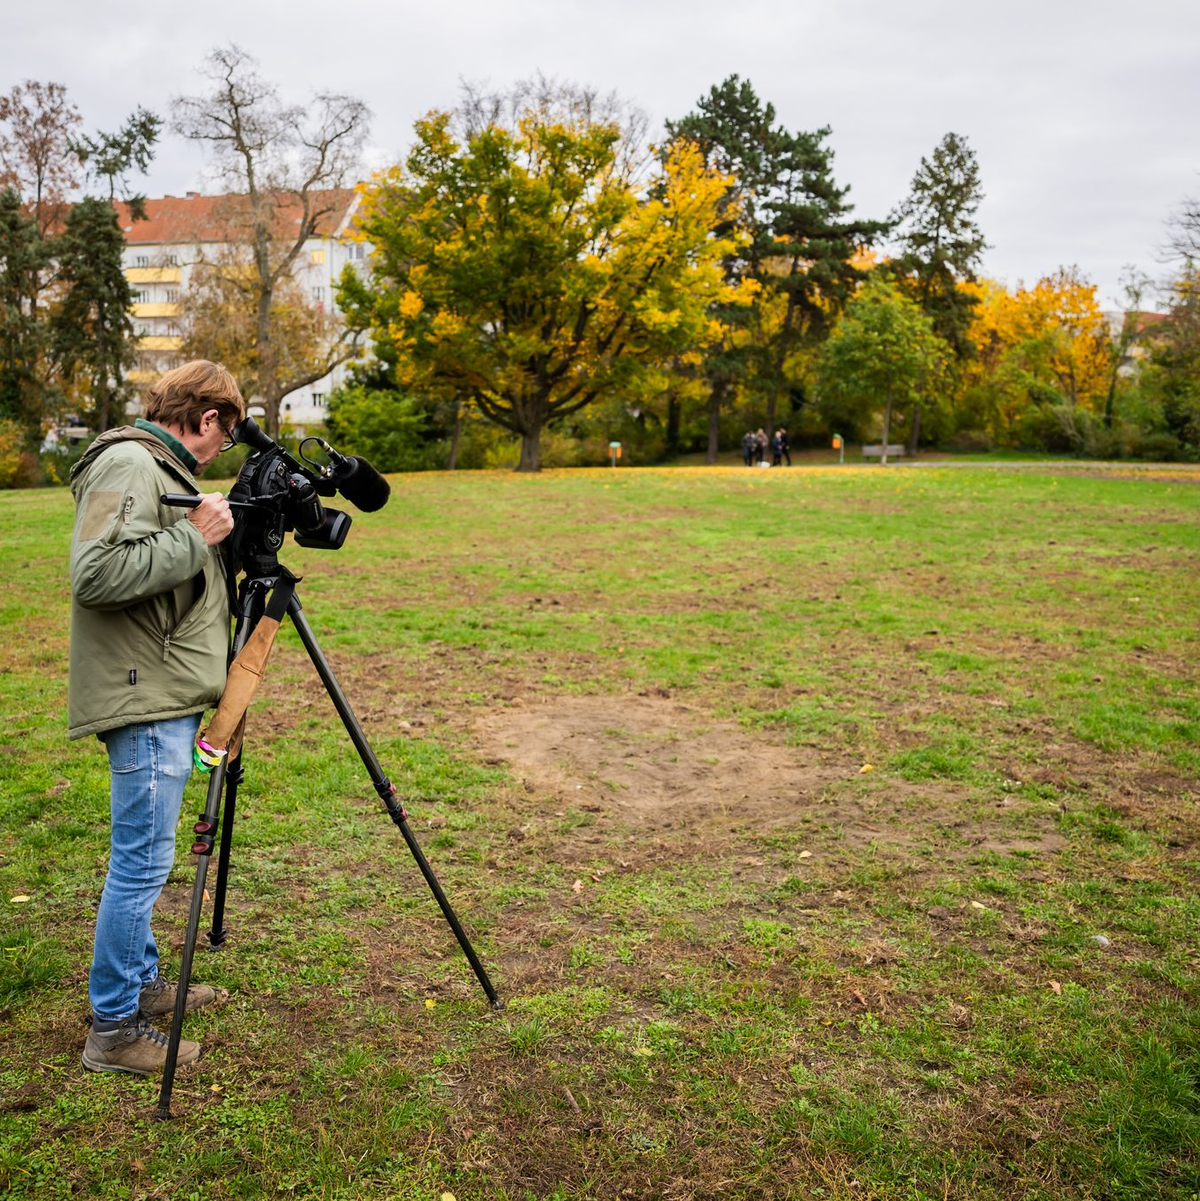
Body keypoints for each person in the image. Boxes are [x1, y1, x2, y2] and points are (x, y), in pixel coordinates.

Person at [69, 360, 244, 1076]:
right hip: (144, 694)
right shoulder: (128, 463)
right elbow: (95, 573)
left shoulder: (155, 466)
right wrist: (196, 536)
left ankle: (141, 981)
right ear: (207, 420)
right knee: (142, 862)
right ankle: (112, 1028)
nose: (221, 451)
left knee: (148, 854)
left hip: (160, 686)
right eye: (225, 437)